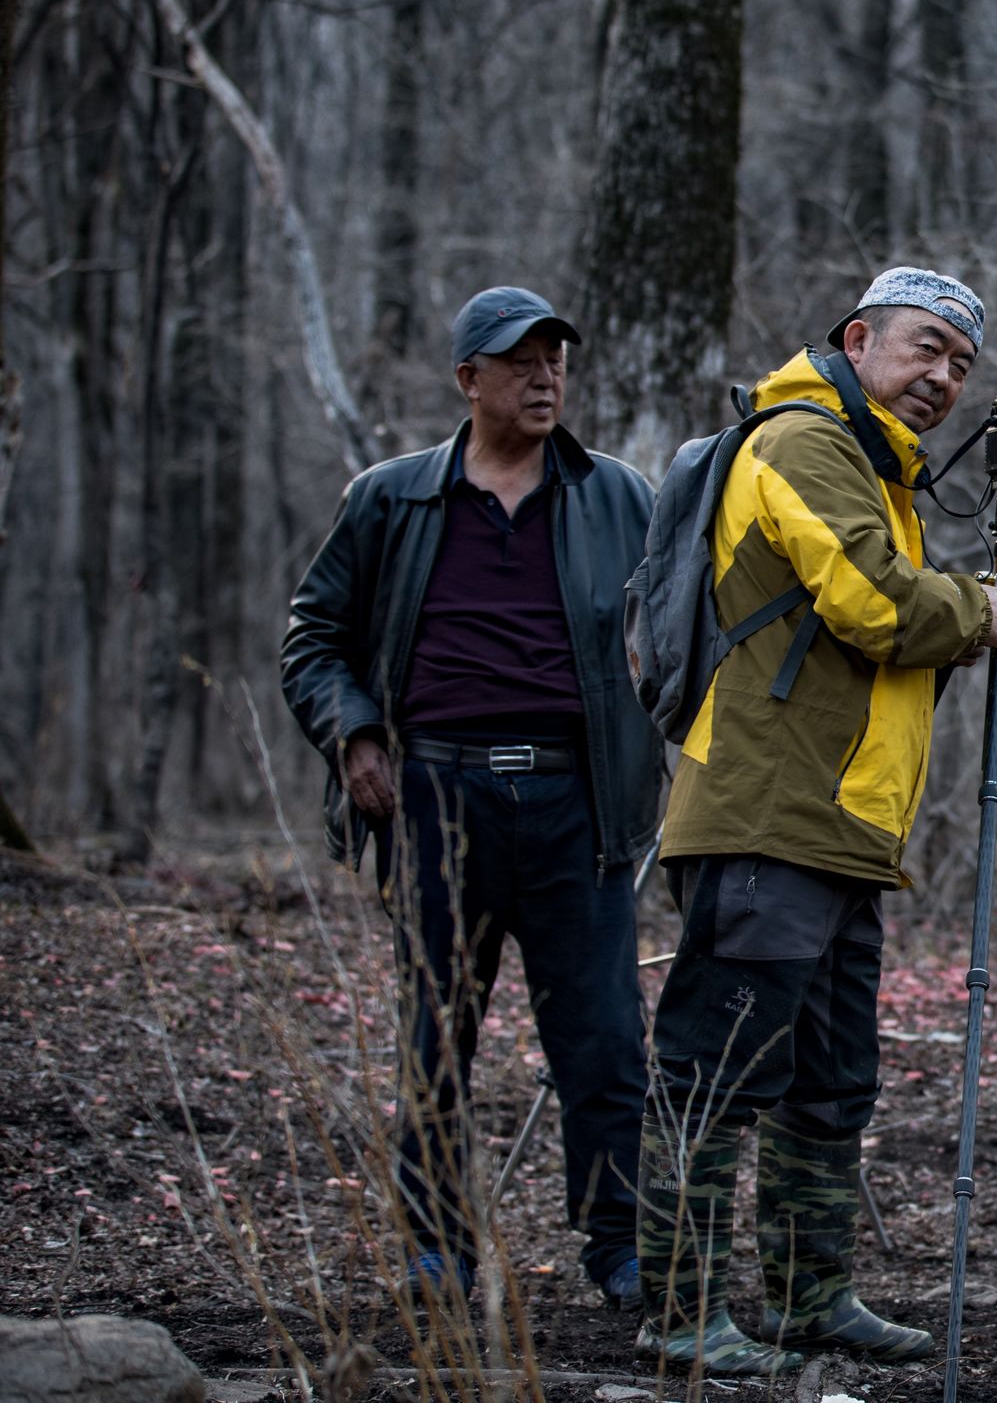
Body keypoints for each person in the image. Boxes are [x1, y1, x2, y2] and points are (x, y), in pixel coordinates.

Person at [633, 267, 997, 1372]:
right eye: (922, 349)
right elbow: (870, 600)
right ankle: (680, 1311)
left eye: (959, 364)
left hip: (840, 827)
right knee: (716, 1067)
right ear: (858, 339)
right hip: (767, 814)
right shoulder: (799, 441)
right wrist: (976, 611)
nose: (941, 378)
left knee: (829, 1076)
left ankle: (812, 1295)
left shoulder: (877, 468)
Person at [280, 287, 662, 1310]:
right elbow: (311, 638)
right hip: (435, 798)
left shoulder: (619, 496)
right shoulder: (391, 499)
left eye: (555, 361)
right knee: (434, 1033)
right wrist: (355, 736)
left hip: (575, 804)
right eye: (519, 361)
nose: (544, 378)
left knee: (604, 1038)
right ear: (468, 380)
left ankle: (618, 1249)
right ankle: (436, 1248)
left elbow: (678, 631)